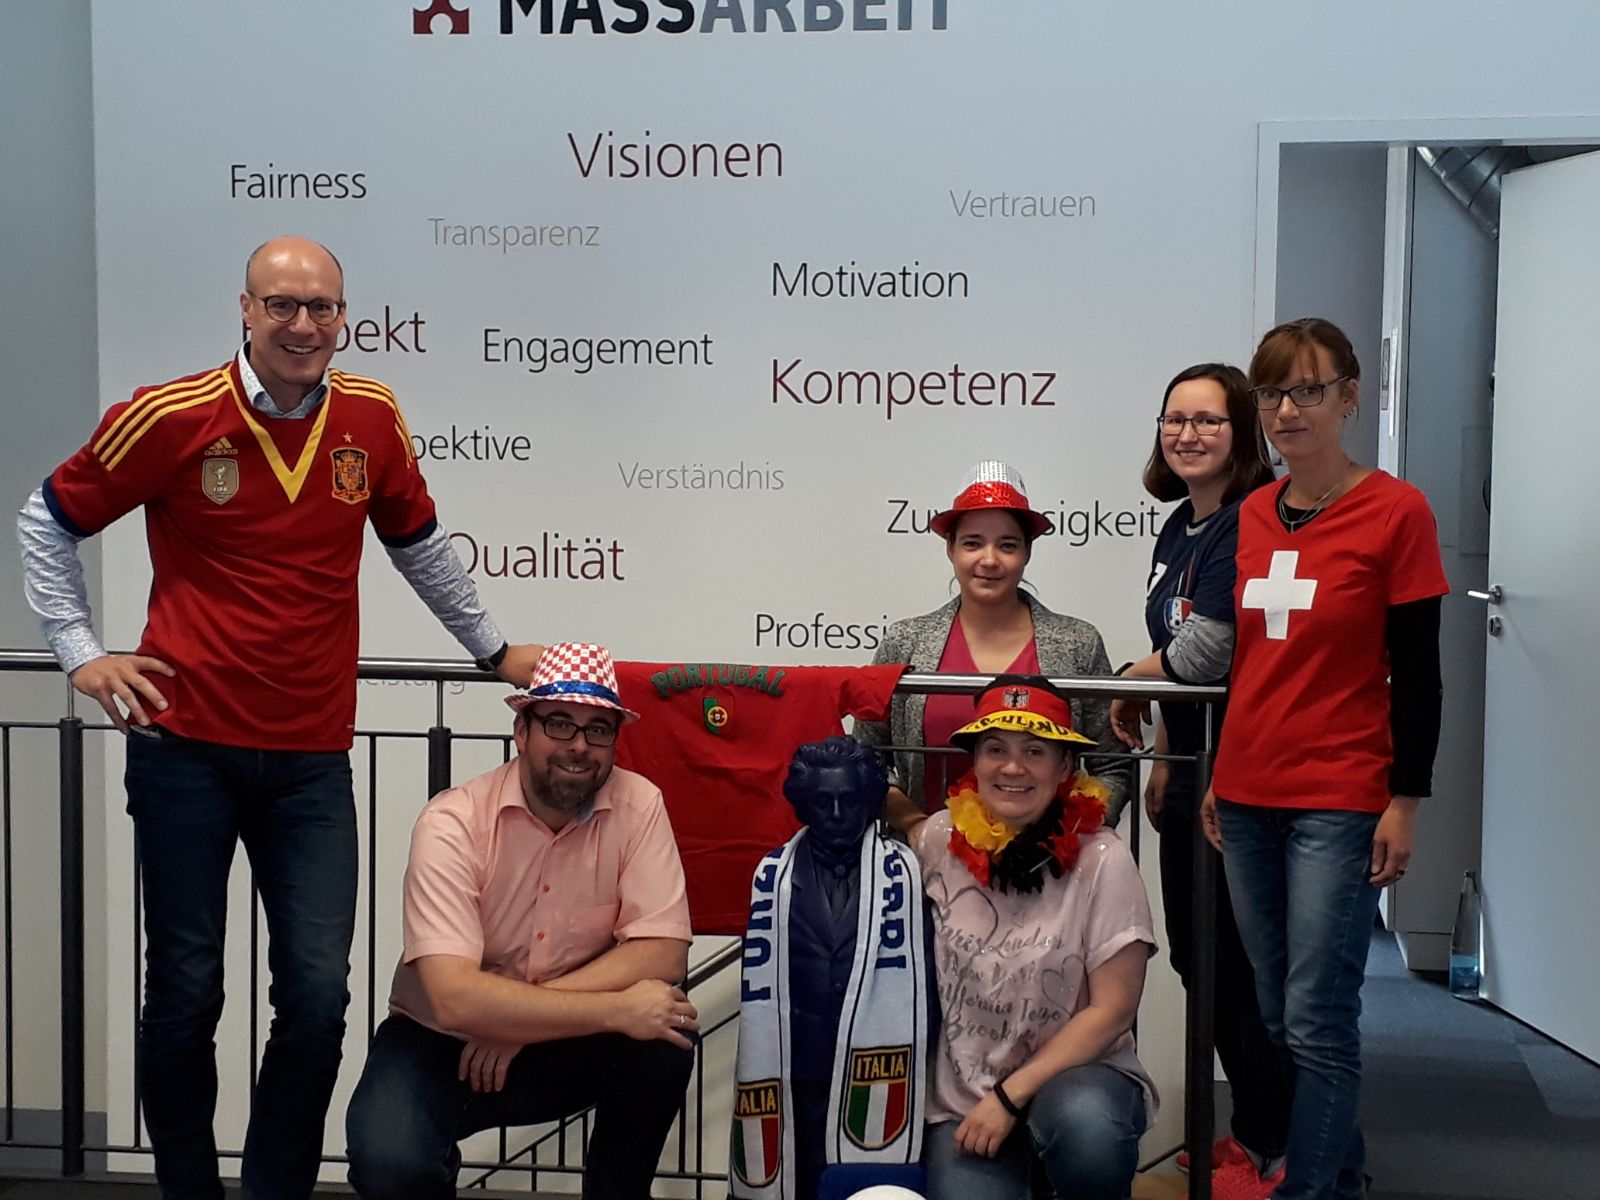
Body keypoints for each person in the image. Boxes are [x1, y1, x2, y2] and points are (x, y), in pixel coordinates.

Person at [14, 236, 543, 1199]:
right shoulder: (169, 415)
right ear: (247, 310)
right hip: (184, 750)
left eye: (322, 307)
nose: (304, 325)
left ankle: (277, 1191)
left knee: (316, 996)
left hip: (310, 759)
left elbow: (419, 545)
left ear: (343, 316)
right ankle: (188, 1189)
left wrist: (491, 649)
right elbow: (47, 519)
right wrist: (82, 654)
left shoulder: (371, 415)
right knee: (186, 991)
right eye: (283, 305)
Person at [1205, 318, 1447, 1200]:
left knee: (1318, 1017)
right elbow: (1248, 661)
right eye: (1272, 393)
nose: (1287, 410)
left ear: (1349, 396)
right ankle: (1342, 1172)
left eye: (1308, 390)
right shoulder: (1251, 514)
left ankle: (1309, 1192)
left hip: (1339, 800)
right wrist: (1221, 774)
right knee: (1279, 1014)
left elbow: (1419, 675)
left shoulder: (1397, 512)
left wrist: (1405, 801)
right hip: (1245, 793)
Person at [345, 643, 697, 1200]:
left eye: (598, 729)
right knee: (389, 1163)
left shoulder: (640, 804)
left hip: (565, 1039)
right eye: (559, 723)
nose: (578, 745)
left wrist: (518, 1021)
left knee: (665, 1033)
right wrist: (611, 1008)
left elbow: (663, 952)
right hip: (443, 1041)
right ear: (521, 731)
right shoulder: (452, 822)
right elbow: (454, 999)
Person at [1107, 364, 1291, 1197]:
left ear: (1242, 430)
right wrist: (1162, 747)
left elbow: (1209, 653)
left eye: (1209, 420)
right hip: (1189, 775)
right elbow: (1178, 654)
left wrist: (1126, 681)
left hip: (1243, 782)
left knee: (1244, 971)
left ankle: (1276, 1147)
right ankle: (1251, 1135)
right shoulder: (1181, 524)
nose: (1188, 434)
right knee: (1198, 960)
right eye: (1175, 419)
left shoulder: (1253, 522)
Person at [906, 676, 1157, 1200]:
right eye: (995, 749)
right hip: (964, 1102)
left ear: (1066, 767)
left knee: (1089, 1133)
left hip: (1080, 1082)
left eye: (1035, 751)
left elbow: (1113, 1011)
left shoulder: (1104, 858)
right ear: (975, 762)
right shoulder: (936, 839)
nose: (1012, 768)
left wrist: (1009, 1097)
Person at [855, 461, 1130, 830]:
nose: (989, 560)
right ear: (950, 548)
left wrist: (1067, 837)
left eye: (1007, 545)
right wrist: (917, 827)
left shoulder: (1078, 644)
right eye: (973, 543)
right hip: (924, 859)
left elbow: (1112, 765)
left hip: (1049, 861)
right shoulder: (904, 642)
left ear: (1027, 552)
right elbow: (866, 759)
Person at [729, 737, 928, 1200]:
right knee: (796, 1179)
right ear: (803, 805)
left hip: (881, 1065)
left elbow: (927, 980)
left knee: (866, 1185)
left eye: (849, 800)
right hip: (796, 1063)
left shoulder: (909, 876)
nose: (837, 813)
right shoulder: (772, 877)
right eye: (823, 802)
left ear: (870, 802)